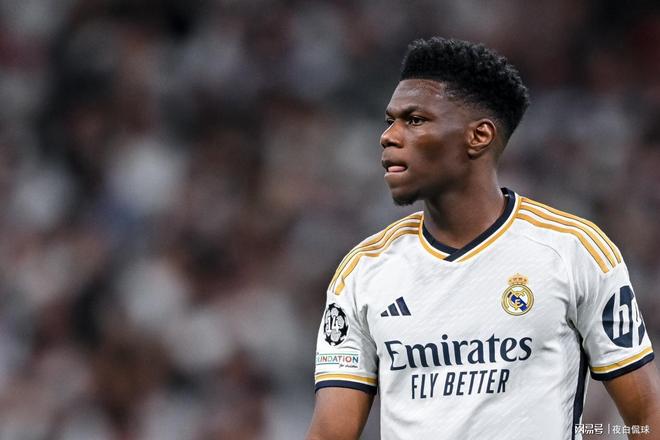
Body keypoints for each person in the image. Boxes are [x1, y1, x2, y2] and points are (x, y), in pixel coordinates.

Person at [306, 37, 660, 440]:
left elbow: (645, 412)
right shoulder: (363, 271)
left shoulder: (573, 251)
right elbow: (330, 432)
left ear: (479, 136)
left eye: (414, 120)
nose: (389, 136)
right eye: (390, 121)